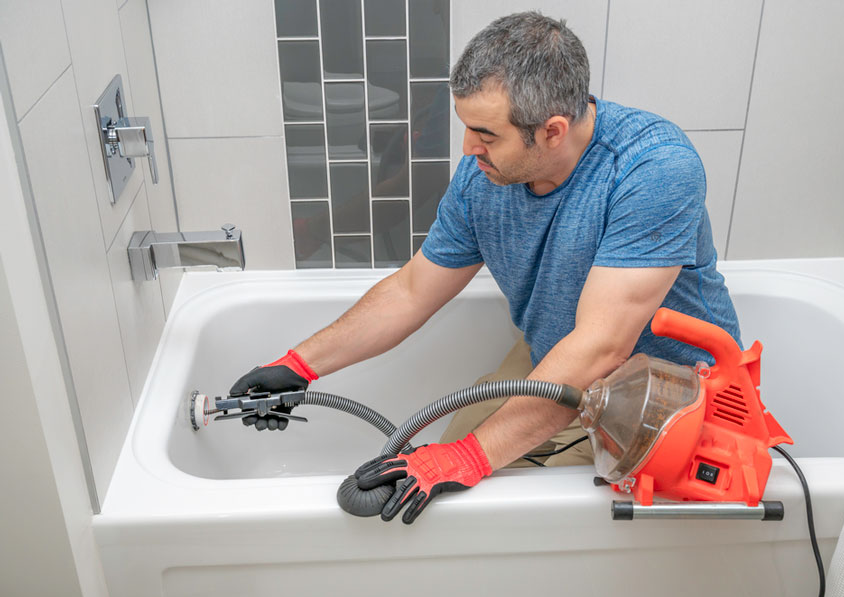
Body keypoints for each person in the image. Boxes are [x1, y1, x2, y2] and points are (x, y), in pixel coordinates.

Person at [229, 12, 742, 524]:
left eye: (485, 134)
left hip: (663, 403)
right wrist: (299, 366)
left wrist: (472, 458)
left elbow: (602, 347)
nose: (468, 148)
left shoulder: (652, 168)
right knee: (440, 456)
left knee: (462, 497)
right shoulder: (485, 176)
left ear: (551, 132)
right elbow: (412, 291)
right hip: (559, 355)